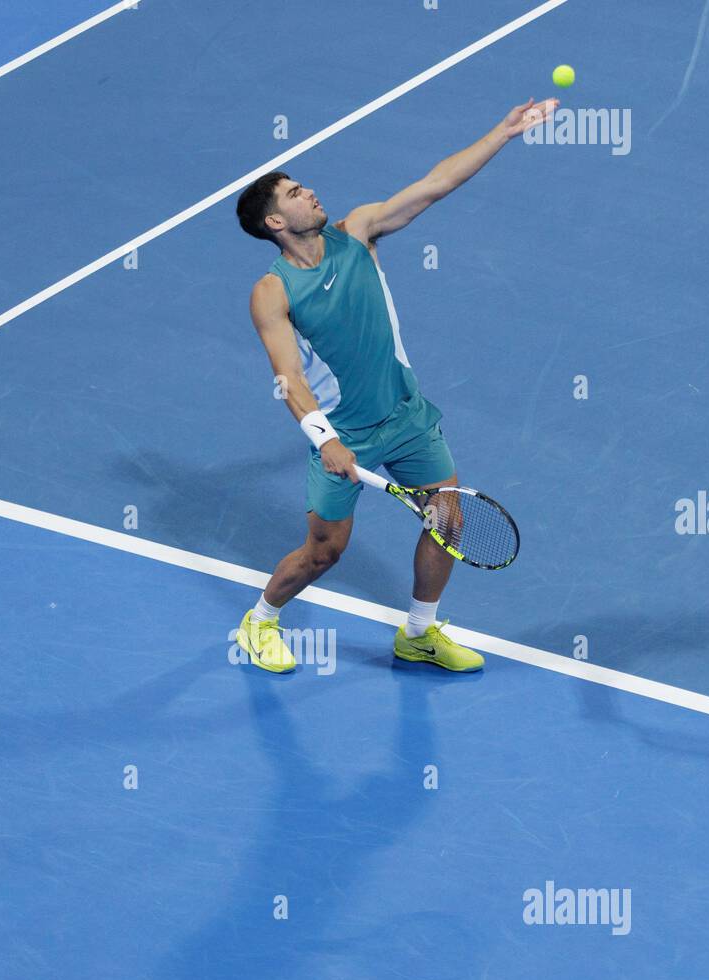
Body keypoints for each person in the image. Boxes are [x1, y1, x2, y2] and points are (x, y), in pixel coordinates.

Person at [234, 97, 557, 673]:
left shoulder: (358, 230)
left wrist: (503, 132)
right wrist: (324, 439)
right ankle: (260, 620)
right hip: (345, 434)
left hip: (406, 417)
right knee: (324, 553)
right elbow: (288, 378)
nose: (308, 192)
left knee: (449, 520)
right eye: (293, 193)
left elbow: (434, 185)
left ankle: (418, 632)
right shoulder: (273, 291)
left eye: (303, 185)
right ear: (275, 224)